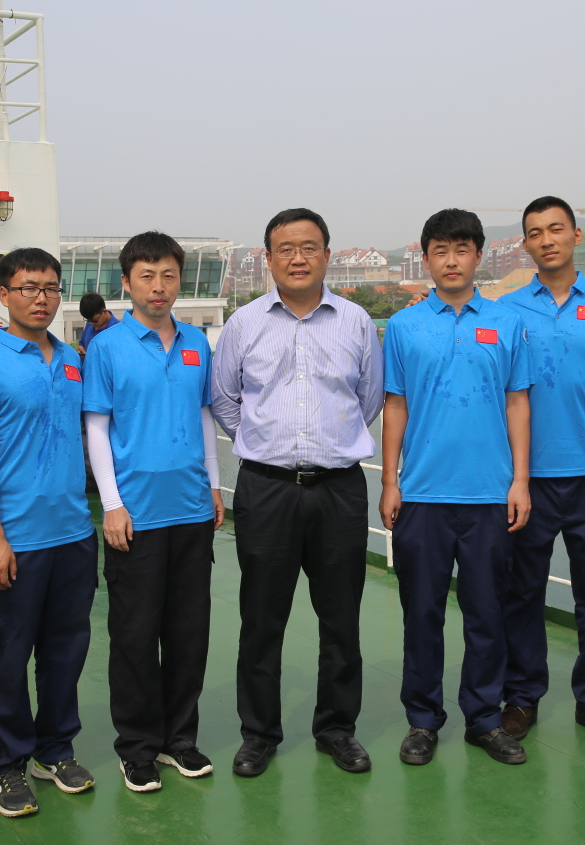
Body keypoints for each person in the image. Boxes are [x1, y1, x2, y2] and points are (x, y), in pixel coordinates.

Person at [211, 208, 384, 777]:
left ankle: (337, 729)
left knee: (341, 618)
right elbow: (226, 398)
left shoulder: (356, 321)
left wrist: (328, 444)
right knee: (262, 619)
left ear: (327, 255)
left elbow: (368, 398)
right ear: (268, 258)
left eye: (309, 247)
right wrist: (266, 442)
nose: (298, 258)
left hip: (339, 489)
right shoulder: (244, 323)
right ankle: (259, 734)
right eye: (285, 248)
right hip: (266, 489)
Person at [379, 209, 532, 767]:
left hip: (490, 494)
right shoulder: (404, 326)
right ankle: (422, 720)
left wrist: (520, 480)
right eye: (440, 250)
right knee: (422, 614)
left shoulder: (508, 322)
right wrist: (390, 481)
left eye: (462, 249)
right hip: (422, 495)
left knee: (487, 614)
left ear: (478, 256)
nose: (451, 260)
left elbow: (518, 402)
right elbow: (395, 405)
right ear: (425, 258)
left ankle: (485, 719)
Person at [82, 232, 224, 794]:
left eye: (168, 275)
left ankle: (179, 740)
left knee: (189, 633)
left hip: (190, 509)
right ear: (127, 282)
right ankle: (138, 747)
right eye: (147, 276)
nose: (158, 287)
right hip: (135, 515)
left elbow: (205, 415)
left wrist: (214, 485)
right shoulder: (107, 347)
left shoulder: (196, 343)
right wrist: (112, 505)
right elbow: (96, 428)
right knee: (135, 636)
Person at [0, 247, 98, 818]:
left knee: (65, 652)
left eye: (50, 288)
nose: (41, 298)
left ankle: (55, 751)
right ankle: (7, 765)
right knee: (7, 659)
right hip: (16, 540)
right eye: (27, 288)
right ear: (4, 294)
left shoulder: (72, 360)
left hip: (74, 534)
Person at [497, 197, 585, 748]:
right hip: (526, 476)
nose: (546, 240)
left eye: (556, 229)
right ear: (525, 244)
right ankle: (521, 696)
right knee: (521, 593)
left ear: (576, 236)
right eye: (535, 233)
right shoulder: (506, 310)